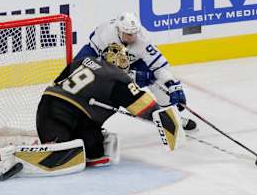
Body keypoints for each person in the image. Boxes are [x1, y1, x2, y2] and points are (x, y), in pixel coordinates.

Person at [36, 43, 183, 167]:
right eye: (124, 61)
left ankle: (55, 141)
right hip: (59, 113)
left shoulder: (83, 60)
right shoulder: (118, 79)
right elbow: (144, 106)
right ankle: (47, 145)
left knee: (96, 151)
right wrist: (165, 119)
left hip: (52, 107)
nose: (125, 64)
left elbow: (56, 82)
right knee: (59, 156)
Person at [74, 12, 197, 131]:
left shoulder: (143, 39)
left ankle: (172, 118)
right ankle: (82, 123)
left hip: (131, 62)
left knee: (154, 77)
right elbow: (103, 71)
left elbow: (159, 66)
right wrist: (134, 76)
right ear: (119, 30)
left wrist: (173, 85)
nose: (132, 37)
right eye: (128, 33)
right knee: (79, 74)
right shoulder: (105, 35)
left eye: (134, 33)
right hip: (104, 63)